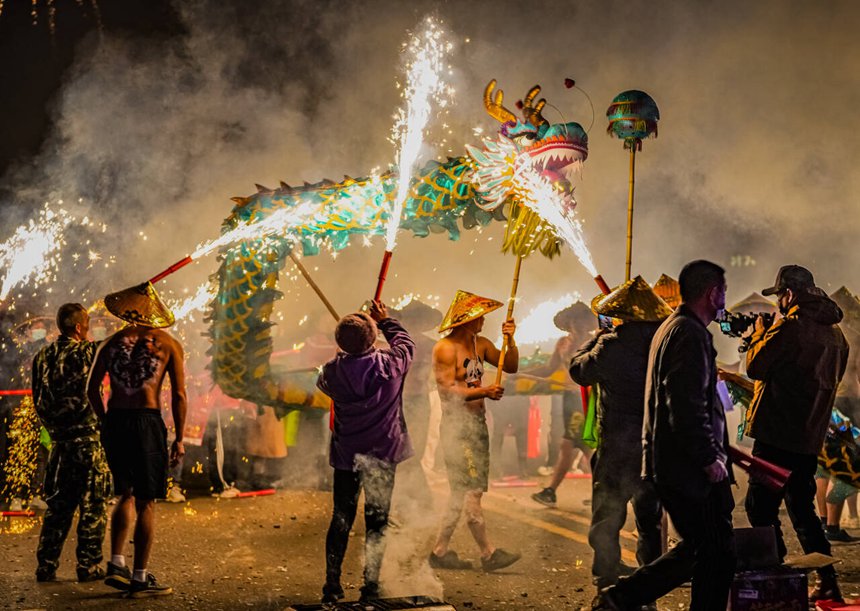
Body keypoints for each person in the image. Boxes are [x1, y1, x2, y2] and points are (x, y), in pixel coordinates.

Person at [593, 260, 735, 611]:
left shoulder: (673, 327)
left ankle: (621, 597)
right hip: (684, 464)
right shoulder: (689, 333)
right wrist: (708, 458)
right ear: (712, 292)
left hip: (672, 461)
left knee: (709, 550)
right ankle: (620, 597)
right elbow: (684, 404)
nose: (724, 300)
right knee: (710, 549)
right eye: (723, 292)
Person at [743, 265, 850, 602]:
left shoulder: (791, 328)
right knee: (802, 510)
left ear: (788, 293)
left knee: (760, 509)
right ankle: (827, 578)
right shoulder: (838, 337)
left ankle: (775, 577)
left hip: (776, 433)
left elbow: (755, 366)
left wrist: (759, 334)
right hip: (808, 436)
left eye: (780, 298)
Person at [568, 277, 670, 591]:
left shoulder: (611, 344)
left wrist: (594, 338)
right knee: (649, 519)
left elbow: (579, 371)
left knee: (607, 514)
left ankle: (606, 580)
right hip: (653, 443)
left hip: (617, 444)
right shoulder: (664, 343)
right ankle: (649, 584)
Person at [87, 282, 186, 598]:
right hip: (146, 421)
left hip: (116, 420)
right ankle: (140, 577)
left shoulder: (110, 343)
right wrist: (180, 438)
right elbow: (180, 394)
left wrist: (105, 422)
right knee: (146, 501)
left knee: (125, 494)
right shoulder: (168, 343)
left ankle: (116, 562)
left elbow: (91, 389)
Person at [316, 300, 414, 603]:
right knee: (377, 519)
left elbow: (324, 382)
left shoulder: (332, 372)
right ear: (373, 339)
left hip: (347, 456)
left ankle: (332, 585)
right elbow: (406, 343)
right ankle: (370, 585)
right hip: (383, 452)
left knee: (341, 517)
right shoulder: (391, 365)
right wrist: (385, 321)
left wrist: (343, 356)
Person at [429, 290, 521, 572]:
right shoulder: (445, 348)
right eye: (480, 316)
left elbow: (512, 364)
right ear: (467, 319)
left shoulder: (480, 344)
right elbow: (446, 391)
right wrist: (484, 390)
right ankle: (488, 553)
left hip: (477, 425)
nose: (484, 321)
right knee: (471, 492)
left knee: (459, 492)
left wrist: (510, 339)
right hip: (459, 429)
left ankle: (440, 550)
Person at [31, 303, 110, 582]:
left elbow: (37, 399)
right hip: (87, 441)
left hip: (60, 444)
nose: (90, 327)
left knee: (58, 508)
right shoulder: (87, 351)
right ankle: (88, 565)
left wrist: (54, 429)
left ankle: (46, 565)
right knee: (93, 505)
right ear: (78, 327)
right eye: (87, 323)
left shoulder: (42, 356)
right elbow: (114, 344)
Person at [531, 301, 595, 506]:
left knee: (573, 445)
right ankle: (600, 493)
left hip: (588, 398)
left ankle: (551, 491)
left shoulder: (596, 342)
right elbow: (549, 369)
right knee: (580, 446)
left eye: (582, 319)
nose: (578, 324)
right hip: (570, 398)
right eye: (574, 320)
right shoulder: (563, 344)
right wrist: (522, 374)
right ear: (568, 323)